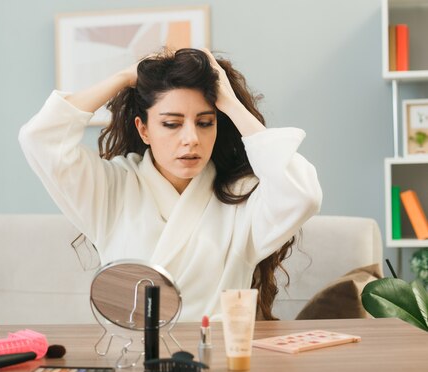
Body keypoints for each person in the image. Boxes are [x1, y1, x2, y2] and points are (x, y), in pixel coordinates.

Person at [19, 48, 322, 321]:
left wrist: (230, 102)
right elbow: (40, 139)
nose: (191, 138)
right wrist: (125, 76)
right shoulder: (111, 188)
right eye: (172, 123)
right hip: (134, 361)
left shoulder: (241, 198)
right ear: (144, 129)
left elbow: (303, 195)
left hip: (217, 365)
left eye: (205, 122)